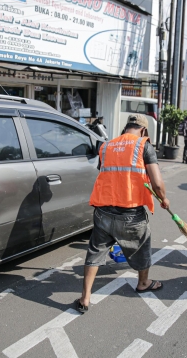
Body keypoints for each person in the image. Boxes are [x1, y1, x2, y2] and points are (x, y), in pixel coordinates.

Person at [75, 114, 170, 314]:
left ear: (126, 128)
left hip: (103, 212)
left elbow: (110, 174)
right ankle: (143, 283)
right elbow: (158, 183)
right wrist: (163, 199)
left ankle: (85, 297)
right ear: (143, 131)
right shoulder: (143, 145)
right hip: (130, 213)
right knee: (143, 247)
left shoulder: (107, 146)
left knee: (95, 253)